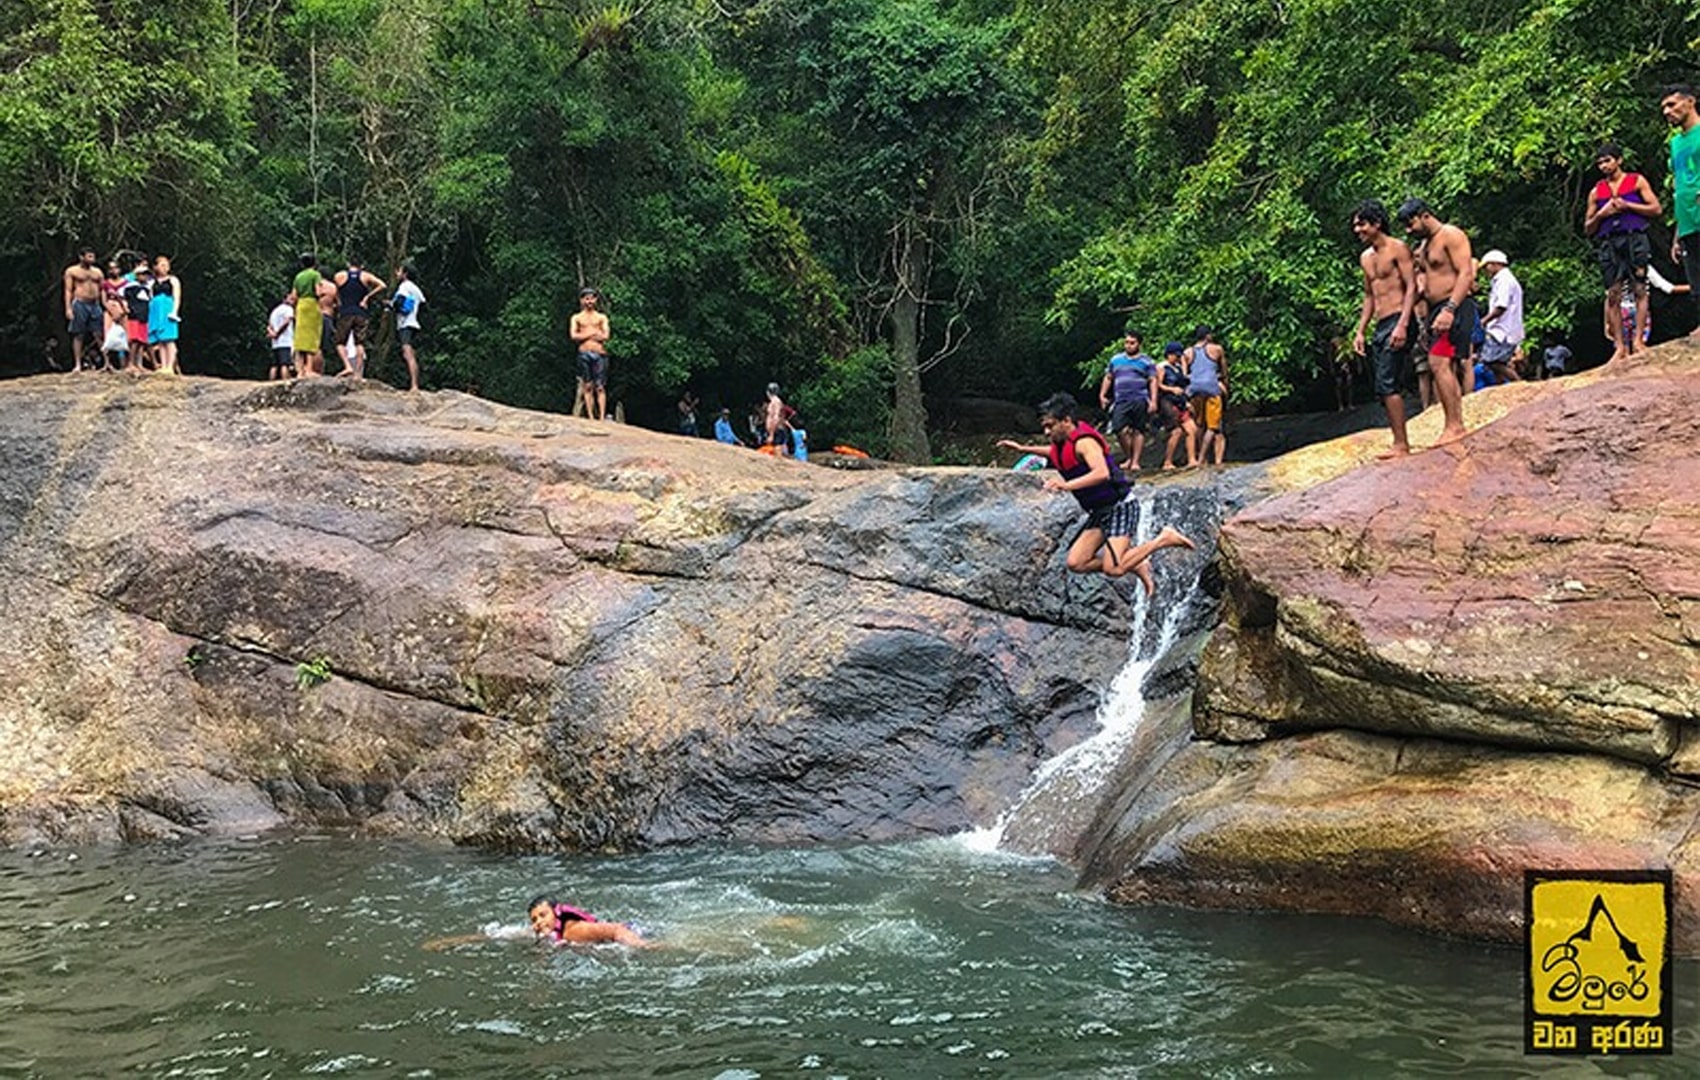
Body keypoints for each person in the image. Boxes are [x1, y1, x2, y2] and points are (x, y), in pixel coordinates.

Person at [996, 392, 1195, 597]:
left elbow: (1102, 473)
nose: (1046, 431)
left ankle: (1163, 539)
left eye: (1050, 425)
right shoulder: (1063, 442)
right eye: (1044, 426)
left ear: (1066, 421)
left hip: (1120, 506)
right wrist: (1022, 448)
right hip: (1100, 510)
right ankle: (1135, 563)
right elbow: (1053, 452)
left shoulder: (1085, 443)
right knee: (1076, 562)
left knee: (1114, 569)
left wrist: (1066, 485)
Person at [1397, 198, 1474, 448]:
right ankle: (1454, 423)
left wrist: (1450, 309)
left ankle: (1455, 426)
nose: (1409, 230)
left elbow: (1466, 273)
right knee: (1442, 365)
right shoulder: (1424, 245)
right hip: (1435, 311)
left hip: (1454, 306)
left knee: (1439, 362)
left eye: (1411, 224)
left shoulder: (1451, 235)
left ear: (1425, 215)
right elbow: (1424, 282)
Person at [1350, 199, 1418, 457]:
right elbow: (1369, 295)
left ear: (1377, 224)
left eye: (1362, 224)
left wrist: (1403, 324)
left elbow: (1412, 286)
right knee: (1381, 385)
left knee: (1387, 383)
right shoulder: (1365, 258)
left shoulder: (1397, 248)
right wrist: (1360, 330)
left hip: (1400, 317)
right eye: (1356, 225)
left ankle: (1401, 444)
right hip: (1381, 323)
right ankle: (1398, 440)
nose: (1358, 230)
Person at [1585, 142, 1662, 361]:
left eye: (1607, 160)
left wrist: (1628, 206)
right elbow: (1588, 227)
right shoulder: (1596, 191)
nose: (1604, 166)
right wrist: (1602, 214)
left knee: (1639, 288)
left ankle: (1638, 340)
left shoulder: (1636, 181)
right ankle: (1619, 346)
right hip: (1609, 242)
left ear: (1619, 160)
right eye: (1600, 162)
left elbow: (1656, 208)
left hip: (1634, 237)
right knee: (1613, 293)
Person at [1663, 85, 1700, 338]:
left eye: (1672, 105)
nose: (1668, 111)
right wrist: (1676, 232)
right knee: (1696, 277)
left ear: (1690, 102)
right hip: (1687, 218)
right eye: (1664, 107)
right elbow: (1679, 184)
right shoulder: (1675, 143)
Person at [1098, 331, 1157, 471]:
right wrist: (1102, 395)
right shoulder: (1116, 360)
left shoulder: (1147, 361)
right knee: (1118, 428)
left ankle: (1135, 461)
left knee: (1139, 429)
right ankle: (1129, 456)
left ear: (1139, 344)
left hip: (1140, 398)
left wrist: (1153, 400)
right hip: (1121, 399)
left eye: (1132, 343)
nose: (1129, 346)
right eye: (1127, 342)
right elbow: (1108, 377)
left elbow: (1153, 380)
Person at [332, 261, 386, 378]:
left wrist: (338, 302)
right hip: (361, 313)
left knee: (340, 342)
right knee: (360, 343)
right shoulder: (365, 276)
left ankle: (347, 366)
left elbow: (334, 290)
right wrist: (367, 297)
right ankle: (358, 374)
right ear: (361, 266)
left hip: (345, 312)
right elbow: (382, 285)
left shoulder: (339, 276)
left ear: (348, 264)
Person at [1478, 250, 1524, 384]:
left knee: (1492, 361)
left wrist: (1485, 320)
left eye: (1487, 266)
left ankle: (1518, 384)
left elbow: (1501, 306)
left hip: (1503, 329)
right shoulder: (1503, 280)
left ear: (1494, 264)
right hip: (1504, 328)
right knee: (1496, 363)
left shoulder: (1504, 280)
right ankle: (1501, 387)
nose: (1486, 270)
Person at [1184, 326, 1228, 465]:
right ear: (1208, 336)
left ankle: (1202, 458)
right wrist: (1225, 387)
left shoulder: (1187, 352)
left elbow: (1184, 376)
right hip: (1211, 388)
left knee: (1199, 424)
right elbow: (1224, 371)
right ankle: (1204, 458)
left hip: (1194, 390)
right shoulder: (1217, 349)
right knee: (1214, 427)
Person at [1154, 342, 1199, 469]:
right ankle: (1167, 461)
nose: (1177, 358)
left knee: (1191, 429)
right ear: (1169, 355)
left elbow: (1183, 385)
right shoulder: (1162, 367)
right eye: (1175, 356)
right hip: (1167, 401)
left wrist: (1186, 401)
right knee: (1176, 431)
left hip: (1180, 401)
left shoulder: (1178, 368)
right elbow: (1158, 385)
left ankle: (1192, 459)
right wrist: (1171, 389)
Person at [572, 287, 612, 420]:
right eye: (586, 299)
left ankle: (601, 417)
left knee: (600, 386)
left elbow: (606, 335)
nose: (589, 301)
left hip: (599, 353)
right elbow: (573, 335)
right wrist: (593, 333)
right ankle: (590, 416)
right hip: (584, 352)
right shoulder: (577, 318)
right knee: (587, 385)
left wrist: (584, 335)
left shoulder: (601, 317)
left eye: (592, 298)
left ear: (596, 300)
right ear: (582, 300)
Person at [63, 247, 104, 372]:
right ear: (81, 257)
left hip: (95, 304)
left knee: (99, 334)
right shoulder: (72, 271)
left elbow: (103, 290)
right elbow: (68, 290)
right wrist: (68, 308)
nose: (92, 259)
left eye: (93, 256)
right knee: (78, 334)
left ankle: (107, 362)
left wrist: (105, 305)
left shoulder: (97, 272)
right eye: (89, 256)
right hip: (80, 303)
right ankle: (77, 364)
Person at [392, 264, 425, 391]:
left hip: (405, 323)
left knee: (408, 353)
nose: (397, 273)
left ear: (405, 274)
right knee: (411, 353)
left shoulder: (404, 286)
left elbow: (399, 302)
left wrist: (391, 306)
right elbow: (422, 304)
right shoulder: (416, 289)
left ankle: (414, 385)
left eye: (399, 271)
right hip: (415, 323)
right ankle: (415, 383)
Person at [148, 255, 183, 375]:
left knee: (169, 338)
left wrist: (174, 311)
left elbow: (177, 297)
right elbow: (151, 297)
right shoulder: (152, 282)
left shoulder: (173, 280)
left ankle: (170, 366)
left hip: (167, 308)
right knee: (161, 340)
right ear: (156, 267)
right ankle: (163, 365)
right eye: (162, 265)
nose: (165, 268)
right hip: (156, 309)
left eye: (167, 265)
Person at [292, 254, 325, 376]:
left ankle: (300, 371)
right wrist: (322, 292)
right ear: (314, 263)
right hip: (311, 305)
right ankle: (309, 369)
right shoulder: (315, 274)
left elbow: (294, 296)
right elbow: (318, 291)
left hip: (301, 305)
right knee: (311, 336)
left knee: (300, 338)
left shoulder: (298, 276)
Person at [119, 263, 153, 372]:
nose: (145, 277)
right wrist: (125, 308)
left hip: (144, 316)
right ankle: (130, 363)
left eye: (147, 275)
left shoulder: (147, 288)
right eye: (142, 274)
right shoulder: (130, 287)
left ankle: (138, 364)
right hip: (134, 316)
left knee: (142, 341)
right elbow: (120, 295)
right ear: (137, 275)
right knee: (134, 340)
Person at [266, 290, 296, 381]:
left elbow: (269, 326)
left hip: (275, 343)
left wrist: (272, 333)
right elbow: (287, 322)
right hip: (286, 341)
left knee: (274, 365)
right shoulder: (288, 309)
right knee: (285, 364)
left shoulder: (274, 311)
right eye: (290, 298)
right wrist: (278, 333)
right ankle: (285, 383)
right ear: (284, 299)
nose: (292, 300)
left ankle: (270, 384)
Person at [100, 297, 128, 372]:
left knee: (123, 339)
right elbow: (103, 299)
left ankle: (124, 364)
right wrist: (112, 311)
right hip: (110, 309)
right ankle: (107, 363)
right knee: (108, 339)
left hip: (123, 308)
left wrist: (122, 309)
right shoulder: (105, 286)